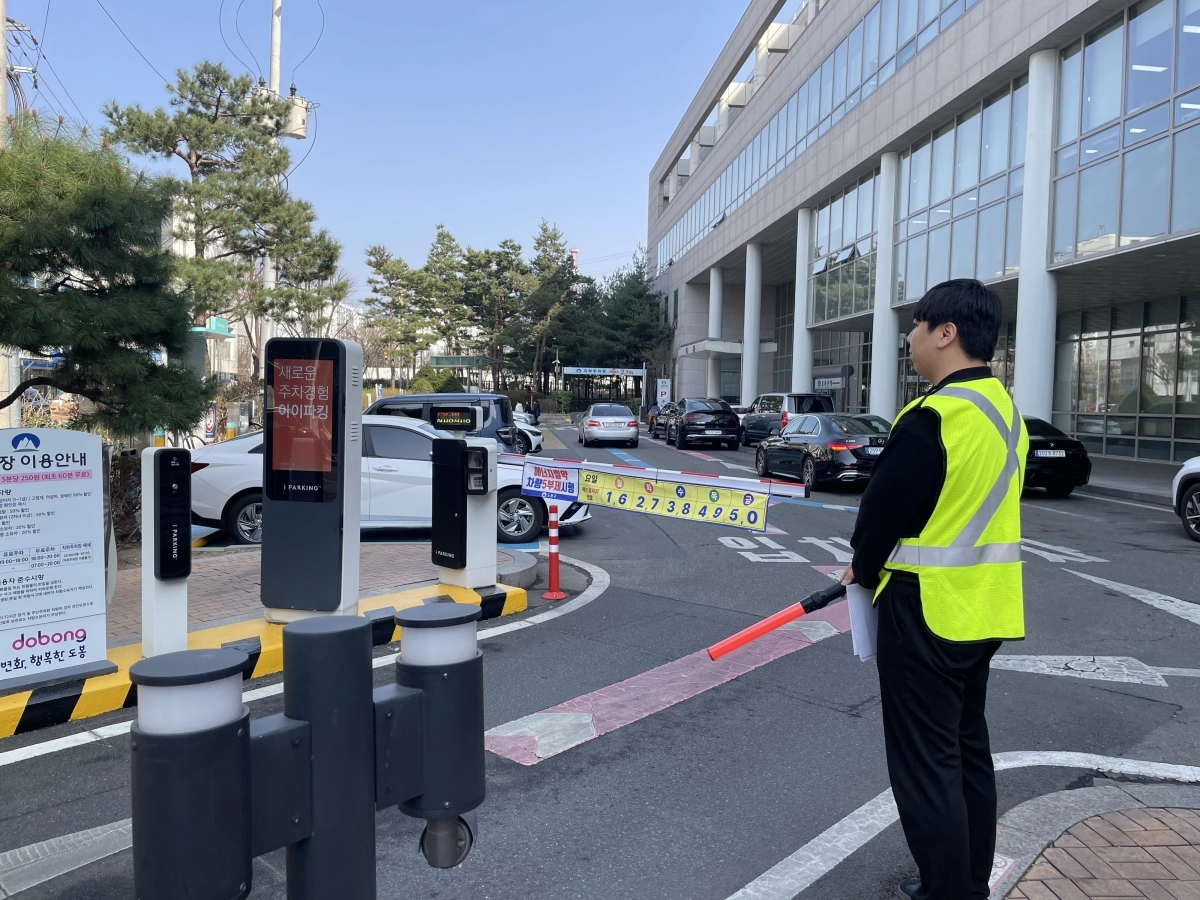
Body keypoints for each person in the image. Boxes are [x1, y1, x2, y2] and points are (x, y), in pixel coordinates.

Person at [840, 279, 1027, 900]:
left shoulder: (934, 416)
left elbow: (880, 516)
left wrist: (861, 569)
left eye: (917, 327)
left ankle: (947, 892)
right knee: (967, 750)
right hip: (986, 608)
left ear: (946, 333)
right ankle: (969, 883)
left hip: (924, 610)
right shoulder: (1005, 413)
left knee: (927, 766)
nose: (910, 339)